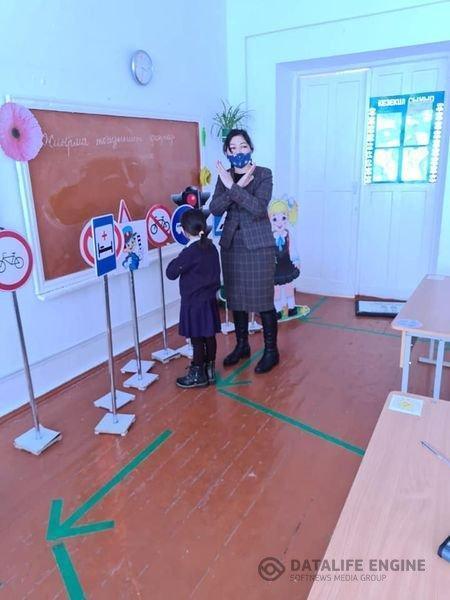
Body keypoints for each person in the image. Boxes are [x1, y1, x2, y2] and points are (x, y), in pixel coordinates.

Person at [209, 128, 279, 374]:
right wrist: (234, 184)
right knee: (236, 298)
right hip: (231, 246)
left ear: (251, 148)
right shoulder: (224, 176)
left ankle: (271, 351)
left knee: (263, 300)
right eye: (233, 148)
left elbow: (258, 208)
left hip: (258, 246)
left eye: (243, 146)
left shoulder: (263, 174)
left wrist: (232, 187)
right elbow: (215, 208)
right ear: (227, 153)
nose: (238, 151)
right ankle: (242, 345)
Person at [166, 209, 221, 388]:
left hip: (194, 303)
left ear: (184, 231)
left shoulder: (190, 252)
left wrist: (180, 256)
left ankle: (198, 373)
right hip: (210, 300)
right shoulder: (211, 247)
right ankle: (209, 370)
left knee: (197, 338)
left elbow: (171, 273)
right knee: (209, 335)